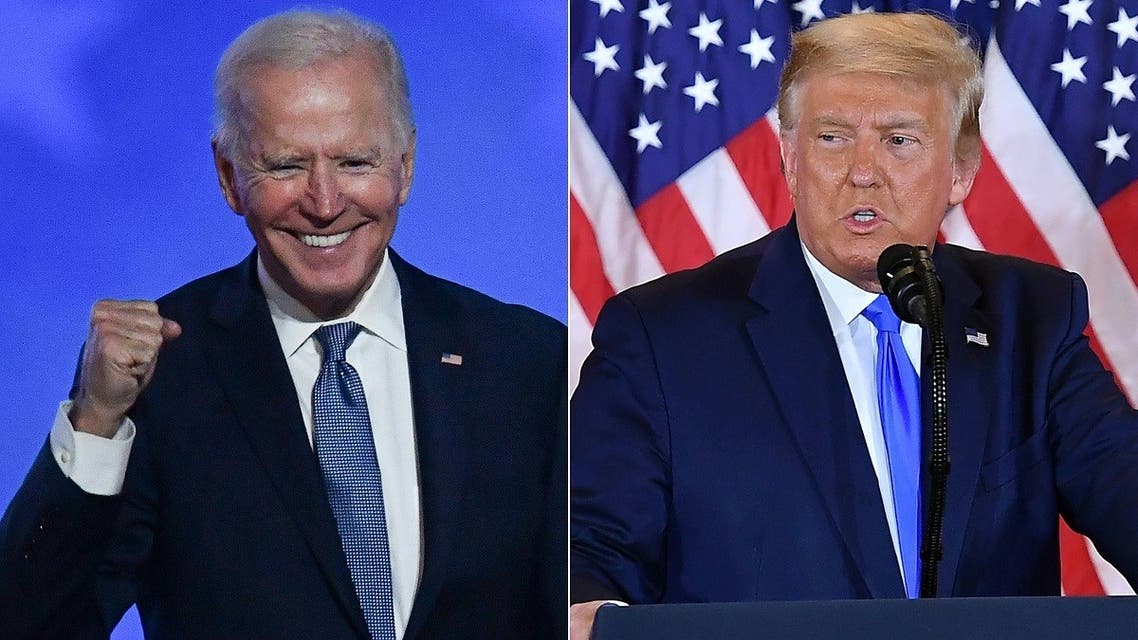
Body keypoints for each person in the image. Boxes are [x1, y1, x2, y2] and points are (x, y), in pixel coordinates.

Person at [570, 11, 1138, 639]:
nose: (862, 171)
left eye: (899, 140)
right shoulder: (660, 337)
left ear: (961, 170)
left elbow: (1125, 489)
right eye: (833, 137)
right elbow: (589, 555)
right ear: (789, 156)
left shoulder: (1031, 317)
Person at [0, 9, 565, 639]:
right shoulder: (159, 374)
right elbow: (30, 625)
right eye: (287, 166)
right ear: (228, 176)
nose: (325, 204)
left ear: (405, 165)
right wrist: (97, 423)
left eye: (355, 162)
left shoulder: (528, 364)